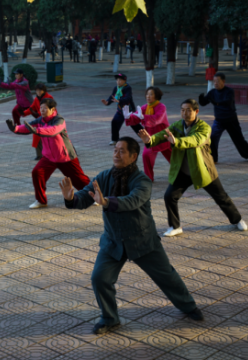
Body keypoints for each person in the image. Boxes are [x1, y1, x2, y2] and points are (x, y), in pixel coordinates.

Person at [60, 137, 204, 334]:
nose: (116, 154)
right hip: (113, 241)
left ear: (134, 156)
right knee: (99, 278)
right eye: (115, 150)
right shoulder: (104, 176)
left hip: (142, 240)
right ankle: (110, 318)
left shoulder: (142, 181)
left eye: (122, 151)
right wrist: (71, 198)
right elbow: (86, 196)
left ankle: (189, 306)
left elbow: (132, 201)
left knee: (167, 277)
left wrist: (106, 202)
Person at [139, 99, 248, 237]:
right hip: (183, 171)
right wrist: (150, 140)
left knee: (221, 197)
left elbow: (196, 140)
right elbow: (163, 134)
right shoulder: (177, 125)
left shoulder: (204, 127)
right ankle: (175, 226)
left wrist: (177, 141)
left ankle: (237, 220)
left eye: (188, 110)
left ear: (196, 111)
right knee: (169, 196)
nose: (185, 113)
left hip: (202, 169)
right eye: (183, 110)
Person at [6, 98, 91, 209]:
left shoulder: (59, 120)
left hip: (65, 156)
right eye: (40, 108)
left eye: (45, 108)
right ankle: (41, 201)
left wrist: (37, 131)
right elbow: (28, 127)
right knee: (37, 173)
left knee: (80, 180)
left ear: (52, 109)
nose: (42, 110)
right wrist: (15, 128)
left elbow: (53, 131)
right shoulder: (41, 120)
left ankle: (94, 195)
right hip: (49, 157)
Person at [199, 72, 248, 164]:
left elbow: (227, 102)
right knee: (212, 137)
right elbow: (204, 103)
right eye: (214, 81)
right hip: (218, 121)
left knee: (238, 138)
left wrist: (216, 102)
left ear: (223, 81)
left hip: (231, 120)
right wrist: (201, 100)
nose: (215, 83)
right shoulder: (212, 92)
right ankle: (213, 159)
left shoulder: (229, 91)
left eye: (217, 81)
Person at [124, 87, 172, 182]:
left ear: (156, 96)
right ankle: (148, 178)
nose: (148, 96)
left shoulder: (161, 107)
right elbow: (137, 117)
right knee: (146, 155)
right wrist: (128, 116)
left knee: (174, 159)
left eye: (151, 94)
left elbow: (157, 119)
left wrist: (142, 117)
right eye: (147, 94)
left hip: (164, 137)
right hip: (150, 139)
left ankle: (184, 174)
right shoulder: (145, 107)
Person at [101, 73, 142, 145]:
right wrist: (107, 102)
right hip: (120, 111)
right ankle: (114, 140)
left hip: (129, 111)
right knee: (114, 122)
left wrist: (120, 100)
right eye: (117, 80)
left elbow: (128, 98)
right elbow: (112, 97)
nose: (118, 81)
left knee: (134, 124)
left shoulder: (127, 88)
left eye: (120, 80)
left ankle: (144, 136)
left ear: (124, 81)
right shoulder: (116, 88)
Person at [31, 83, 53, 161]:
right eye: (37, 90)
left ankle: (70, 150)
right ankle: (39, 155)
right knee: (37, 136)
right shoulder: (36, 99)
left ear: (43, 91)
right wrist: (24, 112)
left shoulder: (49, 98)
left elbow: (51, 110)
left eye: (40, 90)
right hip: (40, 120)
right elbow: (32, 108)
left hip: (49, 120)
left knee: (56, 138)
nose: (38, 92)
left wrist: (38, 113)